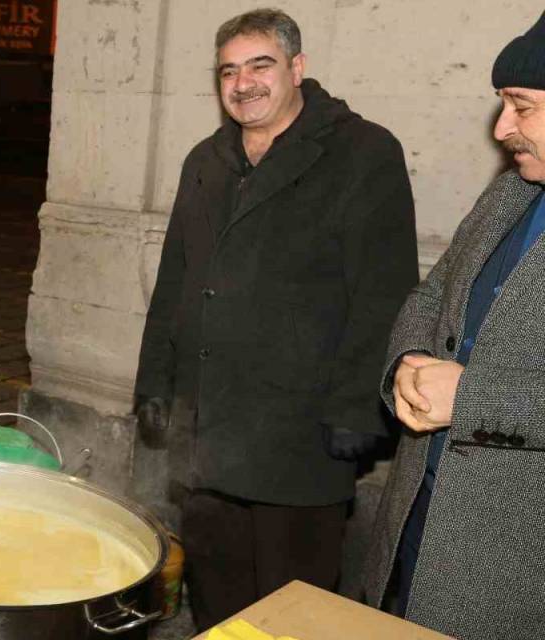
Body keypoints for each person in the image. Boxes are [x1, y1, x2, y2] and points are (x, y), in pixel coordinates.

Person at [131, 8, 418, 630]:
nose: (243, 83)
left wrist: (356, 407)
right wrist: (154, 381)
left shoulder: (362, 152)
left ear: (297, 67)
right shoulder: (206, 160)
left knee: (293, 604)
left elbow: (384, 292)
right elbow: (176, 282)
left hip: (299, 431)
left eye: (260, 65)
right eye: (228, 70)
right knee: (216, 591)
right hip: (208, 423)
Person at [362, 11, 545, 638]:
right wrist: (408, 361)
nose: (502, 128)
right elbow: (434, 292)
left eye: (522, 106)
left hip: (512, 563)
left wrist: (470, 399)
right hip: (420, 513)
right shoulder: (513, 191)